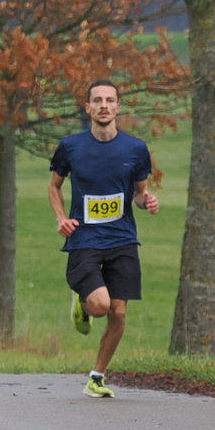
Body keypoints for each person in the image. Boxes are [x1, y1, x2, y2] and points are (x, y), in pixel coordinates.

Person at [48, 81, 160, 399]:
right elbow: (54, 185)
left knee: (119, 313)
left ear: (118, 107)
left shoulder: (135, 149)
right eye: (97, 100)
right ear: (88, 108)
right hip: (84, 236)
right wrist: (61, 218)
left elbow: (139, 194)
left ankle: (96, 377)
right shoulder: (71, 146)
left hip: (122, 237)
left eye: (110, 100)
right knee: (100, 306)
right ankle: (84, 301)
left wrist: (147, 201)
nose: (104, 106)